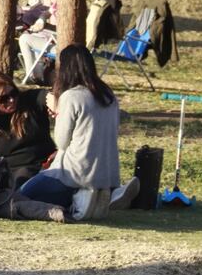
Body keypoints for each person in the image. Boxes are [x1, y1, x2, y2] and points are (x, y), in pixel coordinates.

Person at [19, 45, 139, 216]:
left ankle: (80, 198)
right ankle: (107, 193)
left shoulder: (71, 97)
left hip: (73, 172)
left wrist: (58, 111)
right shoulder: (108, 95)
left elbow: (61, 141)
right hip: (107, 172)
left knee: (24, 194)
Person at [0, 71, 56, 190]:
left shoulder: (29, 102)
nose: (12, 100)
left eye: (14, 93)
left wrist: (54, 101)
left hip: (46, 165)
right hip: (11, 177)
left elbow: (44, 95)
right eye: (4, 98)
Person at [19, 0, 58, 84]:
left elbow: (59, 29)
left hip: (59, 46)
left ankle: (31, 76)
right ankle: (38, 76)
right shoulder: (59, 5)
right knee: (34, 36)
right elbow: (46, 14)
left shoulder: (62, 7)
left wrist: (42, 25)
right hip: (56, 41)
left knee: (24, 39)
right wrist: (42, 20)